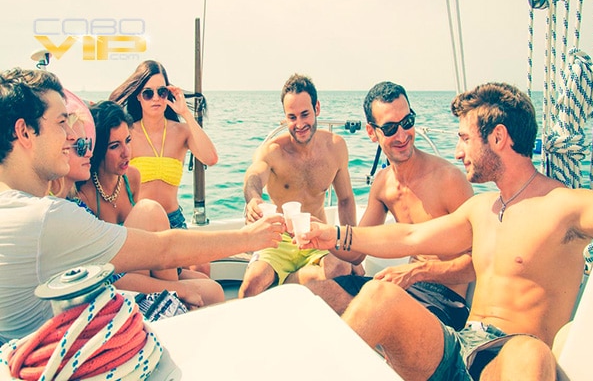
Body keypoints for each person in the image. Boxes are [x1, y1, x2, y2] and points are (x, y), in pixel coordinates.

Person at [302, 82, 593, 380]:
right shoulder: (481, 208)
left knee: (530, 352)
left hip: (509, 357)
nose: (457, 152)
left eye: (465, 138)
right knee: (379, 294)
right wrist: (335, 235)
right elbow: (409, 236)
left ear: (498, 137)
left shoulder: (565, 206)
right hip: (459, 346)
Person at [0, 68, 284, 344]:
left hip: (46, 343)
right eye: (62, 123)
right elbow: (163, 249)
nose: (71, 137)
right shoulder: (47, 217)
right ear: (24, 132)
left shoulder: (25, 208)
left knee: (203, 287)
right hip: (56, 354)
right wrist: (249, 238)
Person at [306, 81, 474, 332]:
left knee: (375, 312)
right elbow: (356, 254)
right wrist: (323, 236)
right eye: (390, 128)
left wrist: (417, 272)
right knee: (315, 294)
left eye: (407, 122)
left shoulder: (449, 179)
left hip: (443, 300)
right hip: (403, 287)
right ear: (372, 132)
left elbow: (477, 263)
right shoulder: (383, 184)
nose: (402, 135)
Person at [78, 100, 224, 307]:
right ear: (98, 149)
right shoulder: (83, 195)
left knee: (213, 290)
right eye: (114, 146)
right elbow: (103, 271)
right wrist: (180, 289)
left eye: (128, 141)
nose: (126, 152)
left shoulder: (132, 178)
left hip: (145, 264)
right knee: (149, 209)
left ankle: (173, 302)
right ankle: (174, 304)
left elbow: (147, 246)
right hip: (114, 278)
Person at [238, 73, 358, 298]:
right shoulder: (273, 151)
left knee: (342, 268)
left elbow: (345, 200)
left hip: (316, 235)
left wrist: (353, 250)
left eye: (305, 114)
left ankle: (284, 284)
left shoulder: (335, 148)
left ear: (317, 108)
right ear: (285, 117)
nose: (300, 124)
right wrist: (253, 198)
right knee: (250, 288)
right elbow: (253, 176)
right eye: (292, 117)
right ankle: (293, 283)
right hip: (279, 238)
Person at [110, 60, 217, 275]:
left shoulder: (181, 132)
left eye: (162, 92)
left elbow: (210, 158)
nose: (156, 98)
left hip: (173, 220)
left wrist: (186, 113)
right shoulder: (128, 133)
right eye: (148, 93)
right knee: (161, 274)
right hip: (140, 224)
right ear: (138, 96)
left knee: (202, 266)